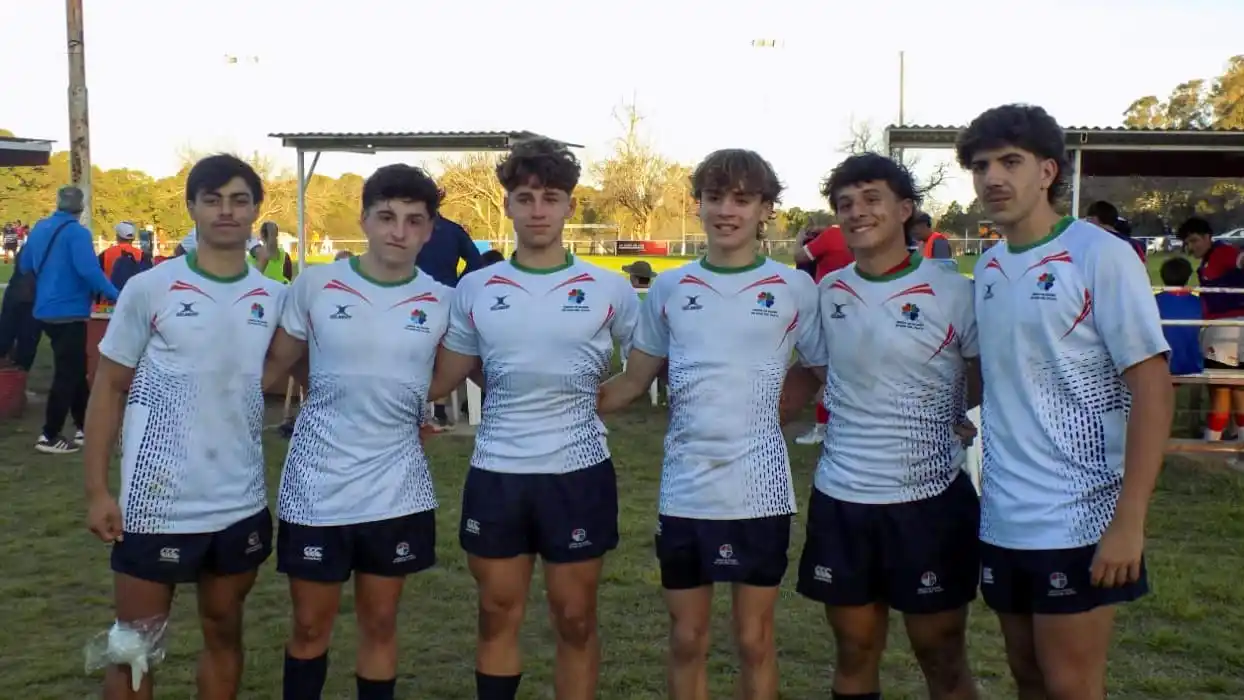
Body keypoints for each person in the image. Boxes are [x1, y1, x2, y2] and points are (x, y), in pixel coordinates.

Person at [960, 104, 1173, 700]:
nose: (993, 178)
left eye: (1010, 162)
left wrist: (1129, 522)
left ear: (1049, 170)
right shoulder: (992, 265)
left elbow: (1153, 386)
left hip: (1080, 514)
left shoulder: (1098, 254)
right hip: (1003, 513)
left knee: (1071, 686)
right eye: (981, 166)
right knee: (1027, 677)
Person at [599, 148, 822, 700]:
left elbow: (819, 368)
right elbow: (633, 380)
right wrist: (557, 403)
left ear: (766, 209)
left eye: (742, 199)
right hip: (686, 491)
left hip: (761, 492)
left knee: (754, 641)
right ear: (697, 204)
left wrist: (778, 410)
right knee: (686, 639)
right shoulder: (673, 289)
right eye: (715, 197)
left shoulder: (795, 288)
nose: (727, 210)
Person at [428, 137, 638, 700]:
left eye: (550, 197)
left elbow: (645, 366)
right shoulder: (475, 287)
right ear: (509, 207)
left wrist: (593, 401)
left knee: (574, 618)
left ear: (571, 205)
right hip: (498, 472)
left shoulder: (608, 288)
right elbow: (453, 371)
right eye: (525, 197)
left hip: (577, 474)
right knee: (497, 614)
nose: (538, 210)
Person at [82, 154, 285, 700]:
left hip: (239, 503)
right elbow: (109, 388)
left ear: (255, 211)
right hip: (156, 504)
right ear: (191, 206)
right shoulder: (151, 288)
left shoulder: (274, 297)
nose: (226, 211)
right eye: (213, 199)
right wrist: (98, 489)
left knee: (224, 636)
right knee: (134, 653)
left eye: (239, 200)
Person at [781, 153, 982, 700]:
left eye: (871, 199)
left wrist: (959, 414)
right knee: (853, 652)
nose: (857, 212)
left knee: (941, 655)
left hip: (930, 499)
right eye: (845, 204)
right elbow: (813, 370)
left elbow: (981, 374)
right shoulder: (827, 293)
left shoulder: (953, 290)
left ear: (905, 209)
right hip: (843, 498)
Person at [262, 164, 452, 700]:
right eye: (387, 217)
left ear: (430, 229)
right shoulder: (316, 284)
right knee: (308, 628)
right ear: (365, 219)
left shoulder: (441, 300)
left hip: (397, 488)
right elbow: (277, 367)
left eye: (414, 221)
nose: (400, 231)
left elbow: (451, 375)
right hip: (317, 487)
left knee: (380, 625)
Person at [20, 185, 119, 454]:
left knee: (74, 368)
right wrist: (117, 295)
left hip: (44, 310)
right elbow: (89, 271)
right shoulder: (78, 233)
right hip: (69, 311)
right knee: (68, 373)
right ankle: (49, 434)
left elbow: (25, 264)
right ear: (80, 207)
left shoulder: (40, 228)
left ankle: (85, 427)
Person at [1177, 216, 1244, 440]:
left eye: (1195, 240)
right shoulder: (1210, 259)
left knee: (1221, 387)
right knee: (1234, 387)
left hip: (1228, 327)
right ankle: (1236, 439)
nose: (1191, 247)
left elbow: (1240, 260)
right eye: (1188, 243)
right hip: (1224, 326)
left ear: (1208, 237)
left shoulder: (1223, 252)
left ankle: (1212, 442)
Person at [791, 223, 854, 446]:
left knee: (822, 366)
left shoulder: (833, 234)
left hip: (826, 302)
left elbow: (800, 256)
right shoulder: (858, 235)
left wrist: (800, 238)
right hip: (854, 303)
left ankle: (823, 427)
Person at [1153, 257, 1204, 376]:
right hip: (1192, 363)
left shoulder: (1153, 302)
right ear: (1188, 277)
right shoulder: (1197, 302)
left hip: (1163, 362)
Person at [0, 245, 42, 370]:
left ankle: (14, 374)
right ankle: (17, 374)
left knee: (7, 335)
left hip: (17, 295)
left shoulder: (29, 246)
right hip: (29, 298)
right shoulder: (41, 248)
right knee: (26, 341)